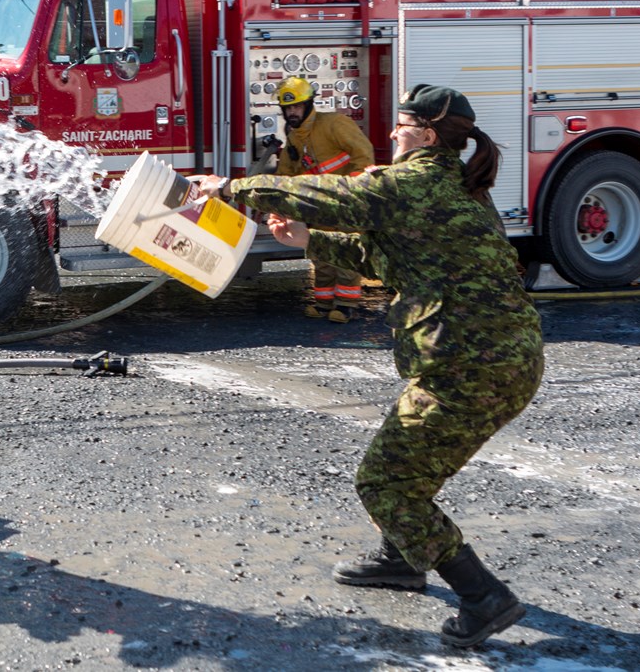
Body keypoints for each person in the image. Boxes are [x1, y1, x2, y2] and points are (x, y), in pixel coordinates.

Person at [192, 84, 543, 649]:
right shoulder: (455, 185)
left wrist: (234, 187)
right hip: (495, 359)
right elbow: (386, 255)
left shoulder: (413, 181)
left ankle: (483, 597)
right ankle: (401, 558)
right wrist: (308, 239)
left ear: (427, 135)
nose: (393, 133)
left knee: (387, 483)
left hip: (468, 367)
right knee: (406, 467)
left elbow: (334, 194)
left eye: (402, 126)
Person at [272, 76, 375, 322]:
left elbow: (364, 154)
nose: (292, 112)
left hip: (345, 203)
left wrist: (353, 191)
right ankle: (324, 303)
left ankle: (346, 304)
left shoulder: (334, 124)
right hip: (318, 207)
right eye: (288, 108)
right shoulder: (295, 138)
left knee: (346, 253)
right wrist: (278, 205)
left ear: (308, 104)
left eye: (297, 106)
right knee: (321, 255)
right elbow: (285, 175)